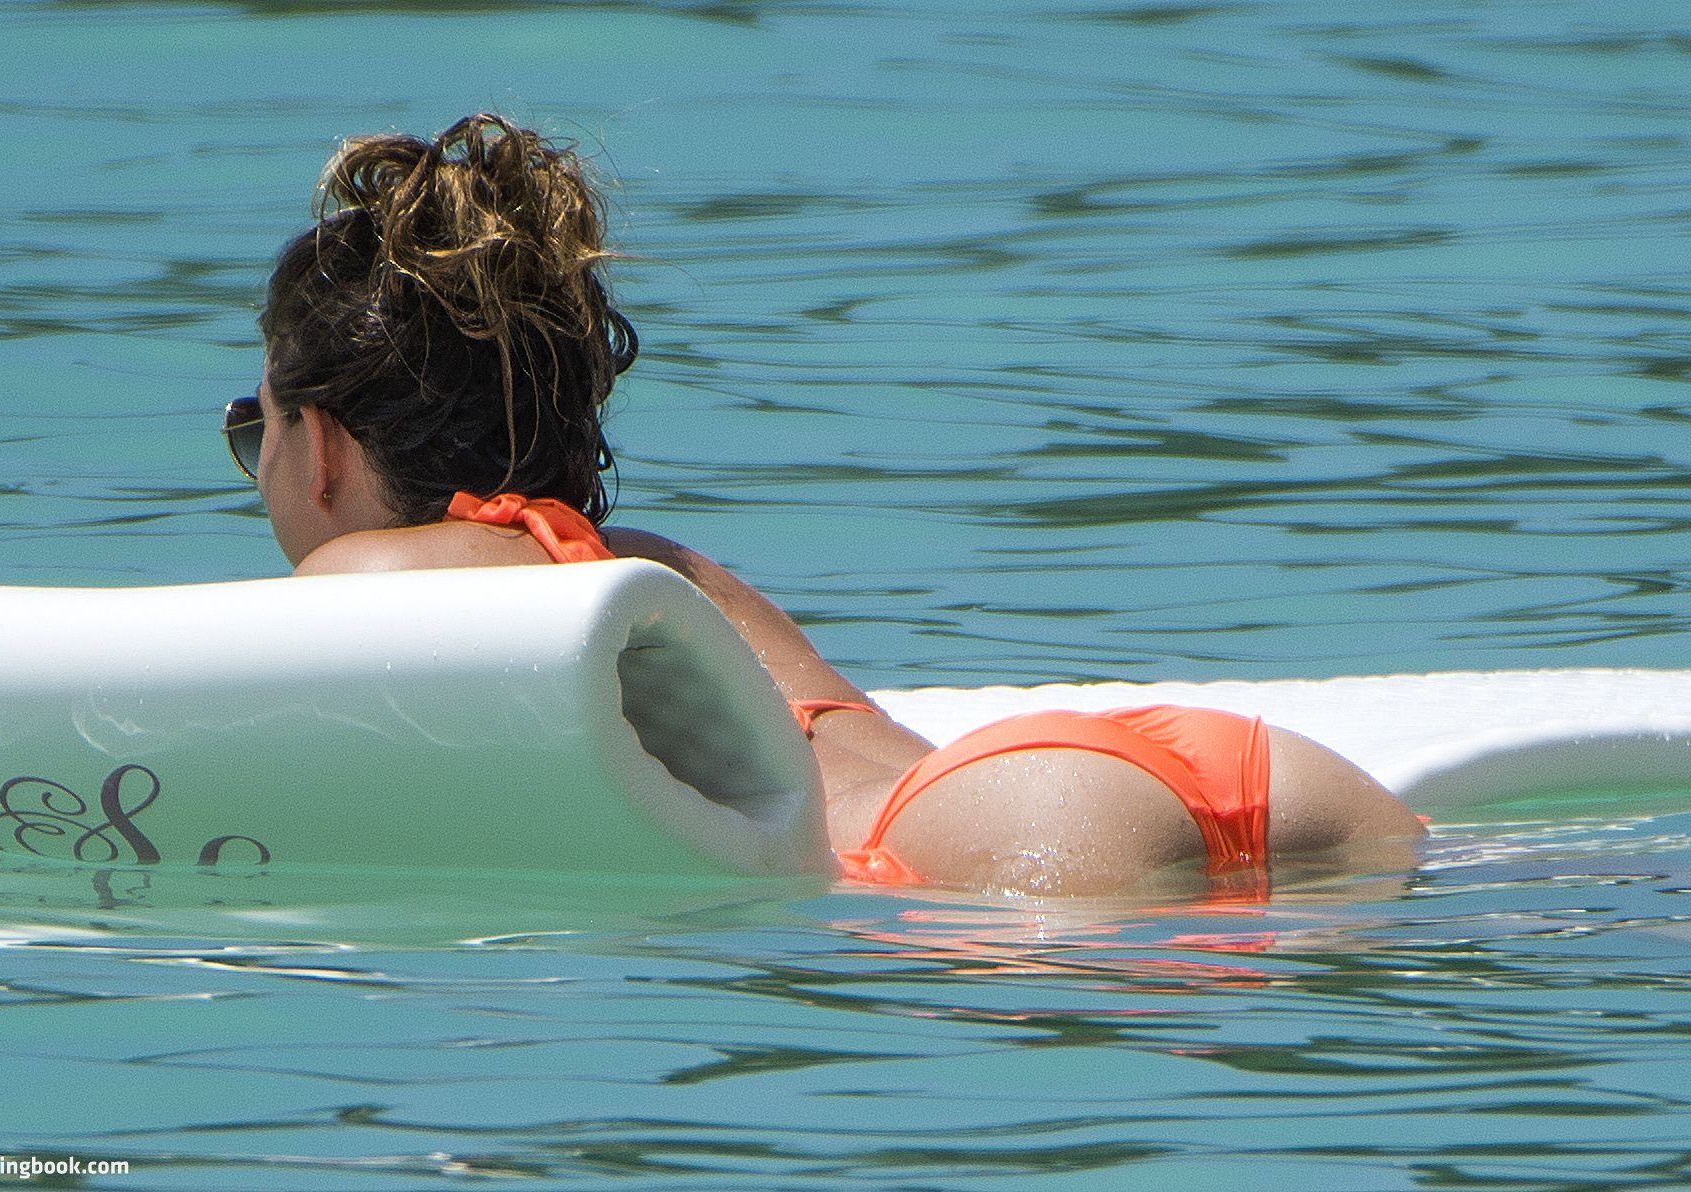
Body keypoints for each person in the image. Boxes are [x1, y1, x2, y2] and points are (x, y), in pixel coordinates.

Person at [224, 113, 1424, 898]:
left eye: (256, 430)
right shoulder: (658, 569)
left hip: (973, 837)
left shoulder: (370, 588)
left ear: (320, 448)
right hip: (1168, 768)